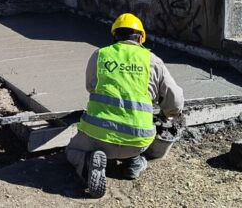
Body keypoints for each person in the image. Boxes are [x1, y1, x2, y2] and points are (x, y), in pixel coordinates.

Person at [66, 13, 184, 198]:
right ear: (140, 38)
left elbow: (90, 86)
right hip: (139, 139)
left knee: (72, 150)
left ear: (114, 36)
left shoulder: (100, 55)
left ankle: (88, 161)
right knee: (135, 145)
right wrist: (167, 114)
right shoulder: (152, 60)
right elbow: (175, 100)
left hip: (98, 136)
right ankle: (134, 163)